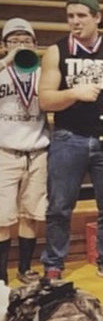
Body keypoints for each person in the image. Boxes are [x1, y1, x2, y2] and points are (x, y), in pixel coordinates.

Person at [38, 0, 103, 283]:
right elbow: (45, 100)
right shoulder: (57, 51)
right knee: (59, 206)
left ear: (97, 17)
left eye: (81, 16)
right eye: (70, 16)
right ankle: (54, 263)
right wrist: (74, 93)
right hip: (69, 137)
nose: (75, 22)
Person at [0, 18, 49, 285]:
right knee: (1, 218)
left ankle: (25, 268)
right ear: (4, 44)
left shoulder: (43, 73)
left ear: (35, 44)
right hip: (5, 151)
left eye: (25, 40)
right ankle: (0, 276)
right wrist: (7, 61)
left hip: (37, 151)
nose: (20, 45)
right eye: (14, 40)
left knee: (31, 213)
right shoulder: (1, 71)